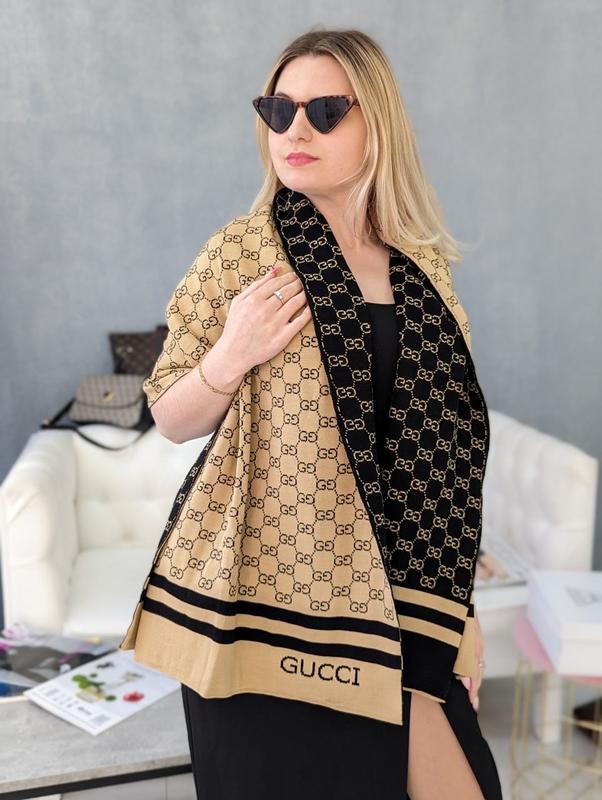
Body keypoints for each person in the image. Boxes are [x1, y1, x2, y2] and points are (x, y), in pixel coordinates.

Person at [120, 28, 503, 799]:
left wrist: (456, 613)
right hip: (261, 611)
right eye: (278, 110)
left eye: (325, 111)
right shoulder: (238, 255)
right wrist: (232, 353)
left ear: (376, 124)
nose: (295, 130)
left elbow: (435, 460)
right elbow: (170, 414)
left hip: (400, 605)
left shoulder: (424, 271)